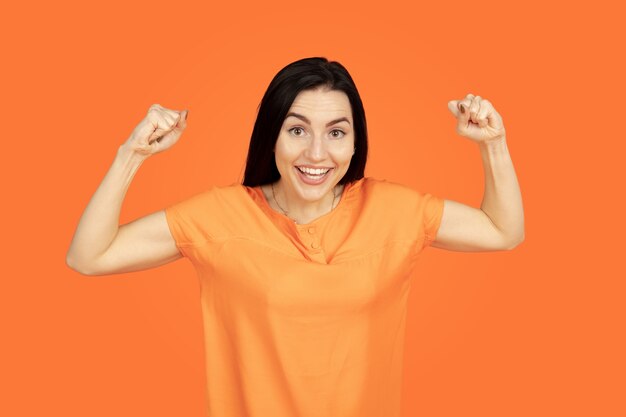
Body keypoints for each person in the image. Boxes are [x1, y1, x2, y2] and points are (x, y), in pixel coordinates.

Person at [66, 57, 524, 417]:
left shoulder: (396, 211)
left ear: (355, 142)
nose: (317, 153)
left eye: (336, 132)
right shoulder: (217, 216)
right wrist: (133, 153)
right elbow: (89, 256)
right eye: (298, 130)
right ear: (273, 137)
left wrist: (493, 143)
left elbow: (503, 230)